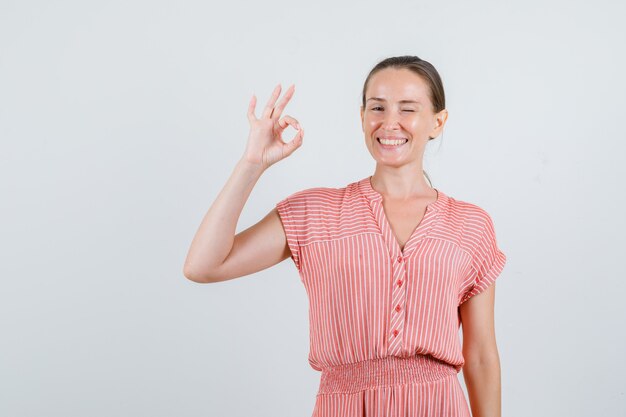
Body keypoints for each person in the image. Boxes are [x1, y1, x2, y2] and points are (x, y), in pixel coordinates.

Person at [183, 55, 507, 417]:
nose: (389, 123)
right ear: (362, 117)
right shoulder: (315, 212)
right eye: (378, 108)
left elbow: (480, 356)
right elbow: (203, 265)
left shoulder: (470, 225)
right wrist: (252, 163)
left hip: (441, 406)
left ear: (437, 122)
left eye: (408, 109)